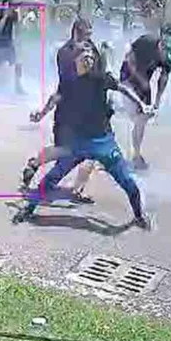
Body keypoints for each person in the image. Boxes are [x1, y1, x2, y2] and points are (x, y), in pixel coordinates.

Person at [13, 44, 153, 229]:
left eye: (91, 57)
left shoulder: (100, 78)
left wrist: (140, 103)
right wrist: (41, 114)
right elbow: (55, 98)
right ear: (75, 60)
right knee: (52, 177)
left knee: (127, 182)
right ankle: (28, 210)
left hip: (103, 142)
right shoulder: (68, 81)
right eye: (84, 56)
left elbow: (122, 88)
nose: (89, 60)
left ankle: (139, 216)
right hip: (78, 142)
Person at [21, 17, 99, 201]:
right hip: (68, 113)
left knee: (89, 151)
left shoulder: (91, 50)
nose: (87, 40)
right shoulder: (66, 54)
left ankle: (76, 188)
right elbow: (63, 89)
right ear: (76, 32)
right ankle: (35, 164)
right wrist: (43, 112)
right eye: (85, 35)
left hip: (88, 111)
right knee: (68, 151)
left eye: (89, 36)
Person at [118, 26, 171, 170]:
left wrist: (157, 101)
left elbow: (163, 77)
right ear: (162, 46)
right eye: (166, 54)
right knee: (138, 116)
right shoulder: (146, 42)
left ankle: (135, 154)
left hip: (144, 83)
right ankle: (126, 152)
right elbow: (129, 60)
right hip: (127, 78)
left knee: (143, 118)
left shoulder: (170, 55)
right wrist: (140, 80)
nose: (167, 58)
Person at [0, 0, 25, 95]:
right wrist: (6, 15)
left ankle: (18, 86)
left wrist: (17, 13)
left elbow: (19, 27)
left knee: (18, 64)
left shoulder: (13, 16)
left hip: (8, 45)